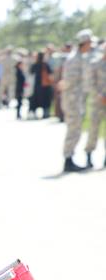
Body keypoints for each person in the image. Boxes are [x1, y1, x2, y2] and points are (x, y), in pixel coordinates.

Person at [60, 29, 94, 173]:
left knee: (76, 129)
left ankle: (70, 158)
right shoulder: (75, 59)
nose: (91, 45)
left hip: (76, 99)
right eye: (89, 42)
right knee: (73, 129)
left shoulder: (80, 57)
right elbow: (69, 81)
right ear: (84, 43)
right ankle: (68, 159)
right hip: (72, 99)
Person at [84, 43, 105, 169]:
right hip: (98, 102)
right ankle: (89, 154)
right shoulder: (95, 63)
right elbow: (90, 84)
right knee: (93, 129)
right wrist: (100, 96)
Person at [29, 51, 54, 119]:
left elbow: (31, 72)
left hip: (37, 86)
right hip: (45, 86)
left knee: (36, 100)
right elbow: (50, 74)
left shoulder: (35, 64)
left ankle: (35, 113)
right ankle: (46, 113)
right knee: (46, 100)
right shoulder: (45, 65)